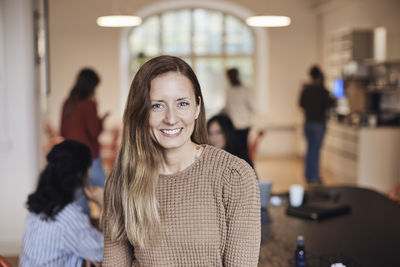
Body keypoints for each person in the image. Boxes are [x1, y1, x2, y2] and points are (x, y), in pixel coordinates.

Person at [101, 55, 260, 266]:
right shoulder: (122, 180)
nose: (171, 118)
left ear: (197, 107)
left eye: (182, 103)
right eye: (157, 106)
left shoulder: (234, 176)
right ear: (140, 113)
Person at [20, 140, 104, 267]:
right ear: (79, 174)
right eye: (88, 167)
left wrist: (85, 253)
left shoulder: (38, 207)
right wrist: (103, 203)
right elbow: (105, 252)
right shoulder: (70, 217)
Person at [60, 68, 109, 215]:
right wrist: (101, 120)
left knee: (78, 196)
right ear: (91, 85)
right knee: (108, 191)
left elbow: (62, 131)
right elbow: (94, 132)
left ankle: (82, 229)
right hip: (89, 156)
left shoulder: (68, 103)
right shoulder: (89, 103)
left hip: (70, 156)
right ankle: (118, 228)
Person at [299, 66, 335, 184]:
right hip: (319, 124)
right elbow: (331, 104)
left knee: (310, 150)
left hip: (308, 123)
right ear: (320, 76)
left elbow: (301, 104)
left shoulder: (306, 89)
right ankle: (314, 177)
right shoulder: (323, 91)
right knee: (315, 151)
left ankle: (308, 176)